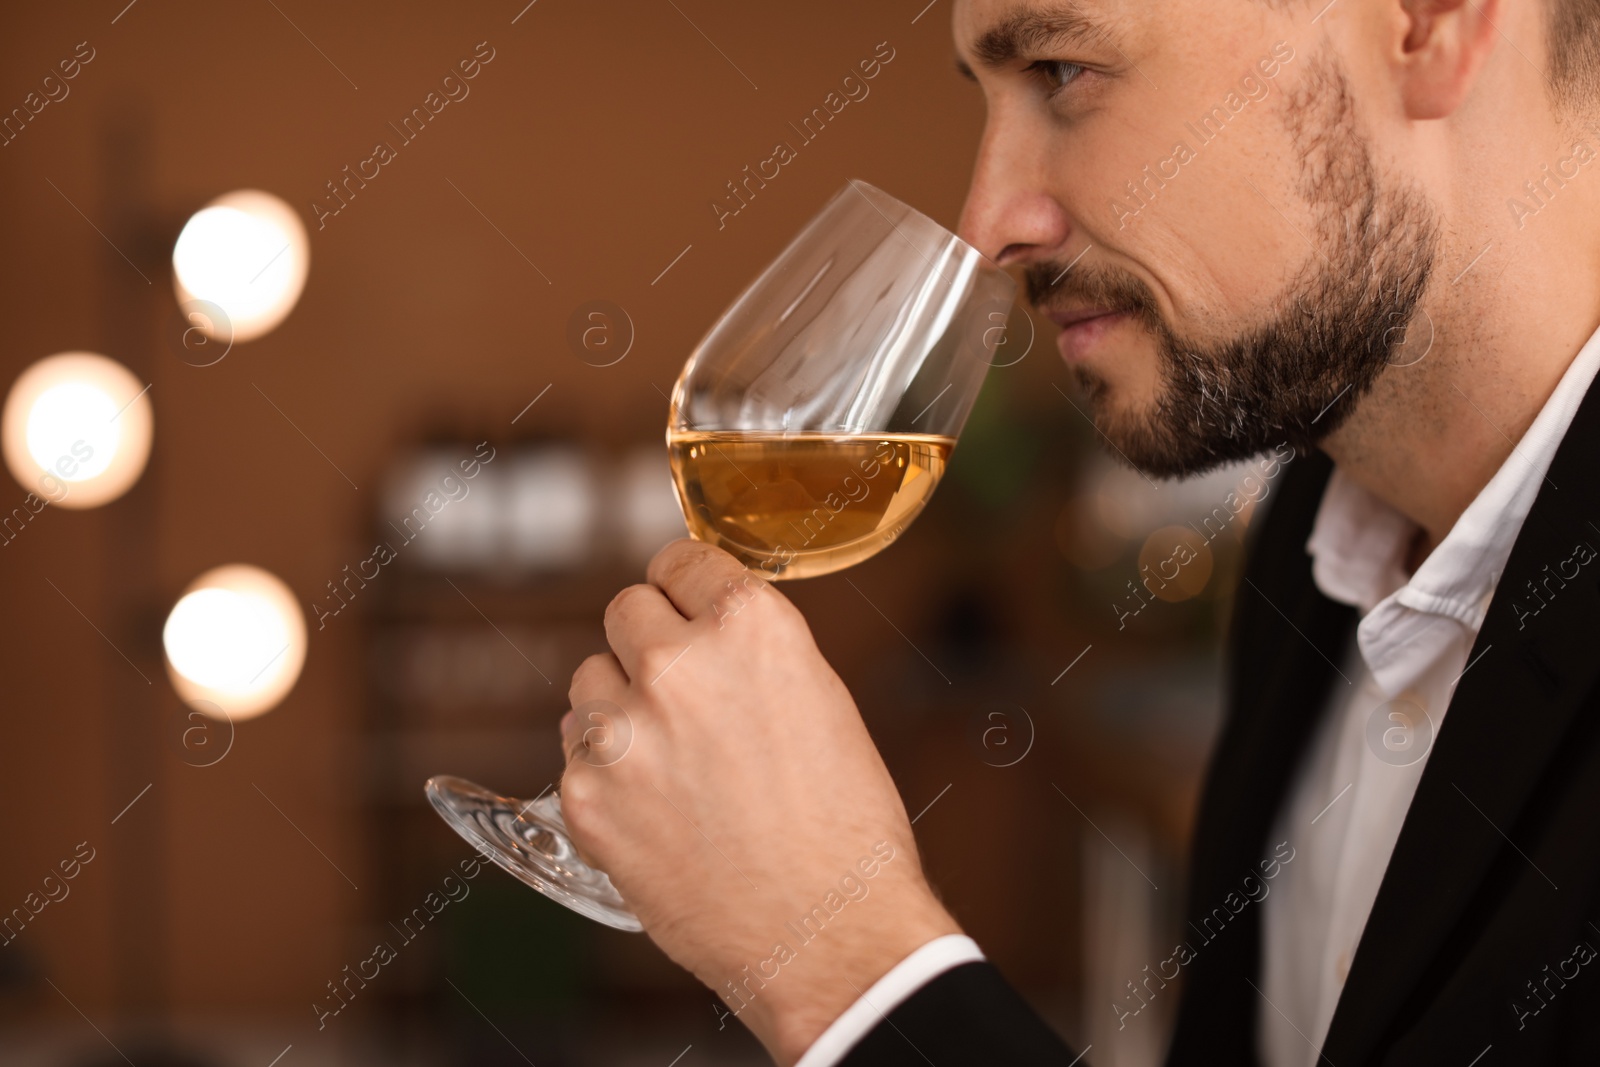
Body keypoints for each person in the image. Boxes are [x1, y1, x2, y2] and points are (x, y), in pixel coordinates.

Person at [556, 0, 1600, 1062]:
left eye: (1061, 71)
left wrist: (845, 965)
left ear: (1427, 28)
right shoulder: (1313, 544)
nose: (989, 222)